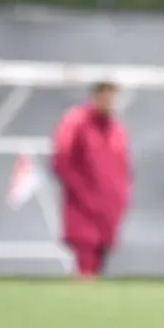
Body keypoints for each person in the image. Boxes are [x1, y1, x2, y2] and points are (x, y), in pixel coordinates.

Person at [52, 80, 132, 279]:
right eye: (105, 96)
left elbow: (123, 168)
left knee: (98, 264)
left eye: (113, 97)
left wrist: (122, 199)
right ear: (95, 96)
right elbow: (62, 162)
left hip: (109, 211)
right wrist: (86, 196)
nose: (109, 101)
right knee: (85, 262)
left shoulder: (116, 129)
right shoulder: (76, 122)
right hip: (84, 210)